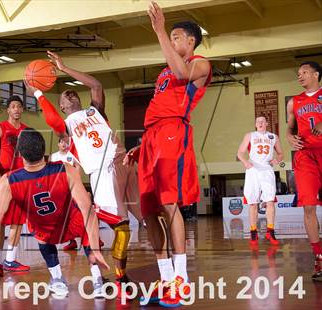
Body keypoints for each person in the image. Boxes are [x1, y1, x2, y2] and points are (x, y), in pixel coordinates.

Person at [25, 51, 143, 298]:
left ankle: (171, 272)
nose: (70, 94)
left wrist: (64, 68)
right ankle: (119, 278)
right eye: (65, 96)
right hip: (103, 172)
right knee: (121, 228)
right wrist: (37, 93)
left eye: (73, 92)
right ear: (62, 106)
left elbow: (96, 85)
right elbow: (52, 120)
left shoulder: (95, 111)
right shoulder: (65, 128)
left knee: (150, 216)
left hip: (125, 161)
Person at [123, 2, 212, 306]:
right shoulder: (164, 72)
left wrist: (159, 30)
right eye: (170, 36)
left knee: (169, 203)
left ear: (191, 41)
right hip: (152, 137)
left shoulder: (200, 63)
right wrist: (143, 143)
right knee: (148, 210)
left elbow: (181, 71)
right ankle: (165, 278)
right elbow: (158, 107)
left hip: (175, 133)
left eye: (177, 37)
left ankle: (182, 281)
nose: (173, 41)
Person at [0, 129, 109, 298]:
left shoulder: (8, 181)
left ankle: (58, 279)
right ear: (44, 149)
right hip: (73, 225)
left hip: (46, 232)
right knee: (84, 220)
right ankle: (98, 280)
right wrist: (95, 248)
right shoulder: (65, 169)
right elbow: (88, 209)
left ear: (20, 154)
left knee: (34, 226)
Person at [286, 61, 322, 281]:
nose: (300, 76)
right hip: (305, 155)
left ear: (316, 74)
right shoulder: (294, 101)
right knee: (308, 206)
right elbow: (290, 127)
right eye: (298, 73)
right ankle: (319, 257)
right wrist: (289, 136)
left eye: (305, 72)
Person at [0, 95, 29, 276]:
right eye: (13, 106)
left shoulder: (28, 132)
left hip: (22, 180)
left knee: (18, 220)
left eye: (19, 106)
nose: (17, 109)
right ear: (8, 110)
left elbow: (31, 158)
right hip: (4, 180)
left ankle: (10, 260)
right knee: (0, 221)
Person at [237, 116, 284, 246]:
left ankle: (270, 231)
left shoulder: (273, 137)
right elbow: (240, 152)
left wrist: (277, 160)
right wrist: (245, 162)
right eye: (258, 121)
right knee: (252, 202)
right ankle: (253, 232)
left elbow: (281, 154)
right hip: (253, 169)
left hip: (267, 170)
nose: (260, 123)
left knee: (270, 201)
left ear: (267, 123)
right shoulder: (250, 135)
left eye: (263, 121)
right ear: (255, 124)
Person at [50, 136, 80, 251]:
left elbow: (77, 167)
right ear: (58, 144)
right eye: (62, 142)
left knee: (78, 212)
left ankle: (95, 239)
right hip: (58, 188)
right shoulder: (53, 157)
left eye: (66, 142)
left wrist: (74, 180)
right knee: (65, 215)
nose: (64, 144)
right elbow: (49, 171)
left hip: (72, 187)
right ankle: (72, 241)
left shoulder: (72, 155)